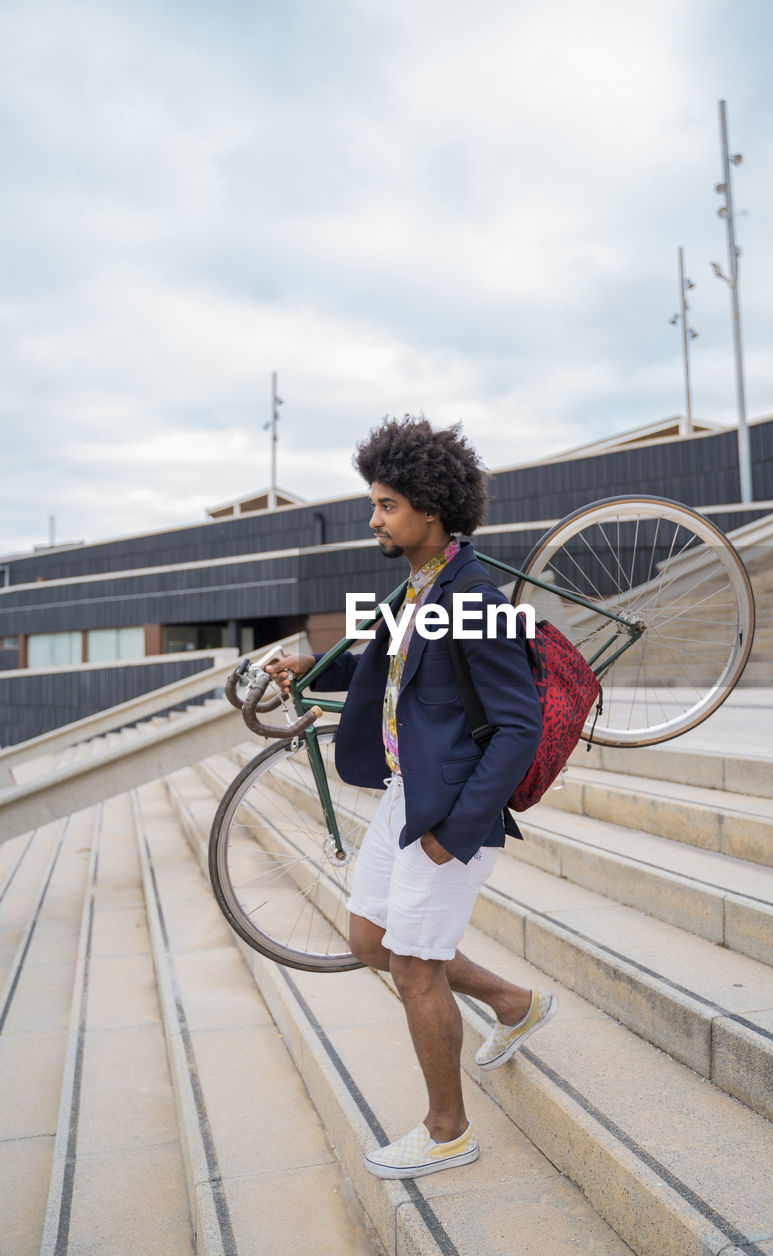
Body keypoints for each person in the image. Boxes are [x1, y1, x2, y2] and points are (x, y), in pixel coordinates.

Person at [267, 415, 557, 1181]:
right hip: (409, 792)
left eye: (387, 504)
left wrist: (453, 831)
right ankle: (514, 1003)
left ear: (430, 509)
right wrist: (306, 667)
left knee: (413, 967)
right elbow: (386, 677)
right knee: (371, 940)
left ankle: (446, 1130)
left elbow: (519, 726)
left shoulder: (478, 599)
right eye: (374, 502)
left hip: (449, 811)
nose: (374, 518)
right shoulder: (420, 587)